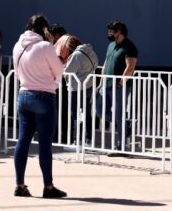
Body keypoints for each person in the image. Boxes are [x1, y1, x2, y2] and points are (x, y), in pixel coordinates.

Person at [12, 14, 66, 198]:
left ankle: (19, 185)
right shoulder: (45, 46)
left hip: (23, 95)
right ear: (44, 29)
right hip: (43, 97)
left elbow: (18, 74)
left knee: (22, 141)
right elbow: (59, 71)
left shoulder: (18, 45)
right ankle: (48, 187)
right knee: (44, 145)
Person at [95, 20, 138, 153]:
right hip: (106, 85)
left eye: (112, 30)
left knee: (119, 114)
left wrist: (121, 83)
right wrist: (100, 83)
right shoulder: (111, 45)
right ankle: (126, 125)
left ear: (120, 32)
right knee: (100, 110)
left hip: (120, 87)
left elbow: (130, 66)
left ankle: (121, 146)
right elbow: (106, 63)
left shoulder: (129, 47)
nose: (110, 32)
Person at [56, 35, 98, 151]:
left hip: (77, 88)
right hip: (89, 86)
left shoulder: (76, 55)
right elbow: (95, 64)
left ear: (70, 46)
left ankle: (77, 141)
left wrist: (63, 68)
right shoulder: (91, 52)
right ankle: (89, 140)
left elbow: (68, 72)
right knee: (87, 114)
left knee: (75, 115)